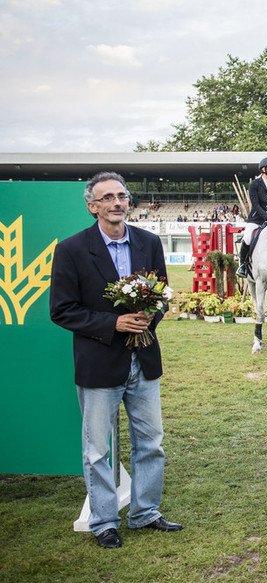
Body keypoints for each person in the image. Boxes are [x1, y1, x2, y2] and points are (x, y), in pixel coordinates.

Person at [49, 172, 182, 549]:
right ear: (92, 206)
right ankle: (104, 520)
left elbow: (162, 295)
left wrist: (148, 317)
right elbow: (62, 311)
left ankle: (145, 512)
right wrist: (114, 323)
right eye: (107, 198)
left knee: (151, 442)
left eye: (122, 196)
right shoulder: (72, 250)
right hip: (99, 362)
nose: (117, 203)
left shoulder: (149, 242)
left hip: (144, 361)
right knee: (98, 449)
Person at [236, 156, 267, 278]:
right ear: (264, 169)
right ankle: (243, 265)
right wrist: (266, 216)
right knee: (247, 237)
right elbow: (255, 204)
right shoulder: (255, 184)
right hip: (256, 219)